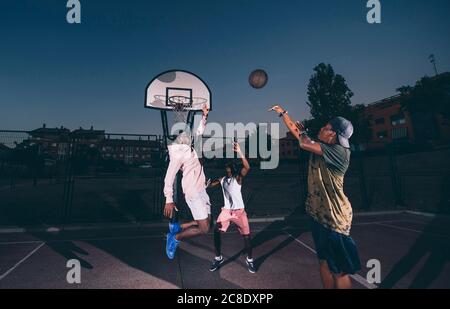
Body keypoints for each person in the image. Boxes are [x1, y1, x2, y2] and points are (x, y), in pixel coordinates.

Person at [269, 105, 361, 289]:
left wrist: (303, 133)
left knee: (339, 270)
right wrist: (283, 114)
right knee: (324, 262)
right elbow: (298, 134)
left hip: (335, 219)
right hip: (319, 215)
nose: (321, 128)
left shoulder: (340, 153)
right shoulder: (320, 147)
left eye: (325, 127)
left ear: (332, 134)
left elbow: (303, 141)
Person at [163, 104, 212, 259]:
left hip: (201, 189)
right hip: (193, 192)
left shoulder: (191, 147)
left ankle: (179, 226)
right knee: (204, 229)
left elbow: (199, 132)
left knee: (208, 223)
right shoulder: (177, 154)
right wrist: (169, 199)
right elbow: (169, 177)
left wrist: (204, 116)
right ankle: (175, 238)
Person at [207, 142, 255, 273]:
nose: (228, 171)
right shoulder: (223, 179)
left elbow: (247, 167)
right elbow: (211, 185)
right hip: (227, 212)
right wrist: (206, 184)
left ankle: (250, 260)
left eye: (230, 169)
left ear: (233, 169)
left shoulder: (238, 178)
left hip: (239, 212)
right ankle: (218, 258)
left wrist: (239, 151)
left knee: (247, 237)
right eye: (227, 169)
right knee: (217, 231)